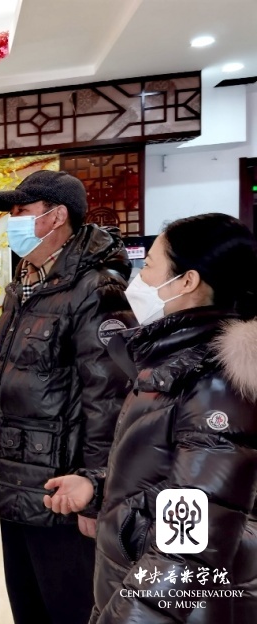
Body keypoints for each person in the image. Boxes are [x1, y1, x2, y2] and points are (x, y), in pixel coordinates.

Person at [43, 213, 257, 623]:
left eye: (150, 266)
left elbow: (189, 544)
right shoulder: (174, 362)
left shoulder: (215, 384)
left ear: (187, 281)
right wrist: (100, 487)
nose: (138, 279)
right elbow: (175, 480)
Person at [0, 170, 137, 624]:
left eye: (21, 211)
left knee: (69, 609)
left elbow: (110, 400)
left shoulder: (95, 287)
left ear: (57, 216)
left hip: (62, 493)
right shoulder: (25, 283)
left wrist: (96, 491)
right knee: (27, 607)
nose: (12, 222)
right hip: (16, 483)